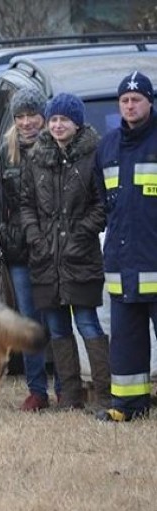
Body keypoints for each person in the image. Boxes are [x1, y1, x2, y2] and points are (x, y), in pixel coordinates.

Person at [20, 92, 108, 410]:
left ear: (77, 123)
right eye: (54, 119)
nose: (58, 125)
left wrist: (82, 233)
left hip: (81, 256)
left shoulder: (93, 156)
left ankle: (104, 393)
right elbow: (27, 204)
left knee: (87, 323)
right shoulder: (37, 157)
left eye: (64, 120)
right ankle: (70, 397)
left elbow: (102, 204)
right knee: (57, 328)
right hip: (45, 258)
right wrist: (36, 237)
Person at [0, 87, 58, 411]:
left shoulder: (56, 146)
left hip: (54, 247)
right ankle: (37, 391)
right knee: (28, 320)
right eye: (21, 116)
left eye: (32, 115)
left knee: (57, 318)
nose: (27, 122)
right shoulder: (6, 152)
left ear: (43, 116)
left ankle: (69, 387)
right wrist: (2, 238)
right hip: (19, 252)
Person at [94, 71, 157, 422]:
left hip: (154, 258)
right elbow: (102, 200)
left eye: (137, 99)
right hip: (122, 264)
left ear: (150, 102)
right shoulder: (108, 146)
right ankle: (129, 406)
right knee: (126, 340)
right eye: (125, 100)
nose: (130, 105)